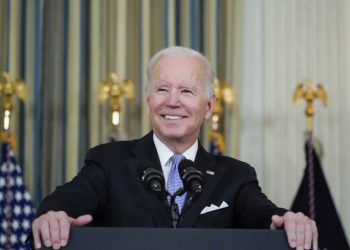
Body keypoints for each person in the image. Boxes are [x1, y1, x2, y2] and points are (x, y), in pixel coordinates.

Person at [31, 46, 318, 250]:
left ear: (208, 106)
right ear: (147, 101)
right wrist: (55, 213)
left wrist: (289, 221)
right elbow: (65, 201)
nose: (172, 101)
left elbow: (264, 215)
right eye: (162, 89)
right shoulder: (109, 161)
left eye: (186, 91)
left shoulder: (235, 176)